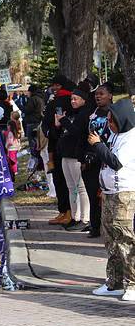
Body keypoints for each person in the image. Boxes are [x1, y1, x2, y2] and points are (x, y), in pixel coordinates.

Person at [88, 98, 135, 302]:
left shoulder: (131, 138)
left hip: (124, 195)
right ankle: (114, 282)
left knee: (125, 238)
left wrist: (98, 145)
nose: (109, 124)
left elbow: (116, 163)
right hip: (109, 194)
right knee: (110, 239)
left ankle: (132, 283)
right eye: (108, 120)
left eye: (112, 121)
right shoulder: (117, 135)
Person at [54, 87, 92, 230]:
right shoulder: (70, 114)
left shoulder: (85, 114)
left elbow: (77, 132)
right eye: (71, 99)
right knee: (71, 187)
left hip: (77, 156)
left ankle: (85, 218)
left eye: (76, 99)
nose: (73, 101)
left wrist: (64, 121)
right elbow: (63, 131)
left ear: (84, 100)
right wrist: (60, 122)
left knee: (81, 187)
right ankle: (75, 216)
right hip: (66, 155)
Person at [83, 82, 114, 238]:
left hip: (107, 159)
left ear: (110, 95)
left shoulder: (115, 113)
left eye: (102, 94)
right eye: (96, 94)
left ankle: (107, 227)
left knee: (105, 196)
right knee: (92, 195)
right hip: (91, 160)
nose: (98, 96)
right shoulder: (92, 113)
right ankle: (94, 227)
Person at [43, 75, 75, 226]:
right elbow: (46, 124)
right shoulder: (55, 101)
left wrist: (52, 131)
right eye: (53, 85)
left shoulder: (59, 102)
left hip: (61, 147)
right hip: (59, 146)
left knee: (64, 181)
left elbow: (47, 124)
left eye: (57, 85)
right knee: (62, 181)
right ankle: (65, 211)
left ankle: (68, 212)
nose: (54, 88)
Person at [24, 84, 45, 152]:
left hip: (32, 121)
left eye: (28, 91)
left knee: (33, 142)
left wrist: (20, 106)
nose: (27, 93)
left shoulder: (33, 99)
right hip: (39, 121)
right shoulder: (40, 97)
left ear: (31, 91)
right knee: (38, 140)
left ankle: (35, 156)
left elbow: (27, 110)